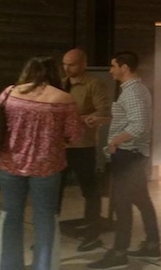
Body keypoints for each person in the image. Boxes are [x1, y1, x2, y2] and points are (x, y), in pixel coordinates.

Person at [0, 56, 80, 270]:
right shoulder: (63, 99)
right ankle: (43, 266)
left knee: (11, 216)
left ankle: (9, 266)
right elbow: (74, 135)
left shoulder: (10, 92)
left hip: (9, 163)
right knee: (45, 219)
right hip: (47, 167)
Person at [88, 51, 161, 270]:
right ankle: (152, 245)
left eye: (113, 66)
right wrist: (103, 120)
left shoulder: (133, 92)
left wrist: (115, 141)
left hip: (128, 155)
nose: (110, 71)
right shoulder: (134, 90)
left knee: (122, 204)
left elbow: (138, 126)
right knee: (141, 200)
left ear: (124, 67)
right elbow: (130, 119)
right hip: (133, 155)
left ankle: (119, 252)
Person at [59, 48, 111, 251]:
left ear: (83, 64)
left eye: (71, 64)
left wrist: (77, 119)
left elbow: (103, 112)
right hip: (60, 146)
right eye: (65, 64)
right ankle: (48, 235)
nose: (67, 68)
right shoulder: (60, 84)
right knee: (54, 190)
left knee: (89, 189)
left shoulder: (93, 84)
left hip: (82, 145)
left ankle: (92, 232)